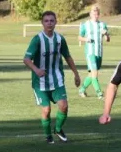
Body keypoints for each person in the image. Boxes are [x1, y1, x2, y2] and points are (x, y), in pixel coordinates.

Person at [23, 11, 81, 144]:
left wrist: (76, 74)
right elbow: (26, 59)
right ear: (42, 23)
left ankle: (58, 129)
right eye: (46, 21)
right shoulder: (37, 39)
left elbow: (67, 56)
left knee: (64, 106)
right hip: (40, 82)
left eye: (51, 20)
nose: (49, 23)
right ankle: (48, 135)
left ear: (56, 22)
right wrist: (36, 70)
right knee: (46, 109)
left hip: (57, 79)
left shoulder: (60, 39)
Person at [77, 5, 110, 99]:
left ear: (98, 14)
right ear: (90, 14)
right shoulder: (85, 25)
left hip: (99, 53)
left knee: (91, 74)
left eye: (97, 13)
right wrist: (86, 39)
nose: (95, 15)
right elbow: (79, 37)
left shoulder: (102, 25)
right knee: (95, 73)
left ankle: (82, 90)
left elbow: (107, 39)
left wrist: (106, 34)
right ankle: (99, 94)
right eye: (93, 13)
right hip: (90, 52)